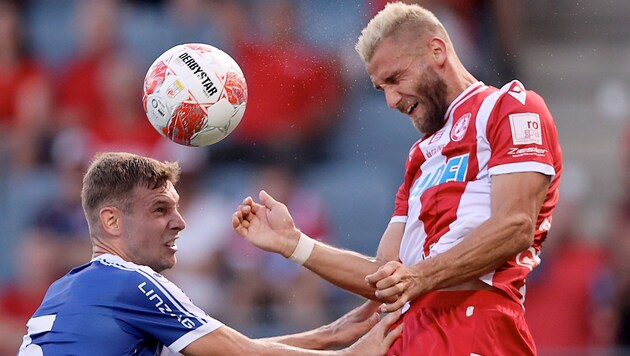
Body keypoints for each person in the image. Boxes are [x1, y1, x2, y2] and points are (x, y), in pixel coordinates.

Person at [233, 2, 563, 355]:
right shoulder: (420, 156)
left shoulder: (510, 108)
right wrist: (294, 244)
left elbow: (515, 226)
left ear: (436, 51)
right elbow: (384, 277)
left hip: (478, 325)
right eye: (380, 88)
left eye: (395, 79)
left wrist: (421, 277)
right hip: (408, 333)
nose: (391, 100)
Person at [18, 152, 402, 355]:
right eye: (159, 209)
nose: (180, 222)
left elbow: (229, 351)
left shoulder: (65, 290)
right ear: (112, 221)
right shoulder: (131, 284)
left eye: (178, 207)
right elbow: (241, 355)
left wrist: (329, 335)